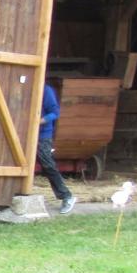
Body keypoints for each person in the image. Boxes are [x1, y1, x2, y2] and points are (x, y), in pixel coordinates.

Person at [39, 82, 77, 214]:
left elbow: (55, 113)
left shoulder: (46, 90)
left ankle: (67, 196)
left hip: (42, 135)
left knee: (48, 165)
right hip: (24, 133)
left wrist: (39, 121)